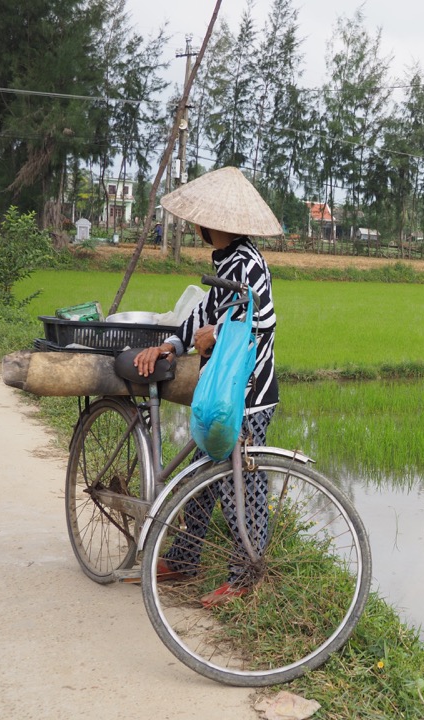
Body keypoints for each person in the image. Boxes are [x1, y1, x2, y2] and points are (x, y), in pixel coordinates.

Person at [133, 167, 281, 607]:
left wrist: (215, 335)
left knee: (243, 485)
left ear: (206, 224)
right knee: (205, 475)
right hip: (222, 394)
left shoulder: (248, 264)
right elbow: (202, 316)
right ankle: (183, 560)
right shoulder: (227, 262)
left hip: (248, 395)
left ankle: (244, 580)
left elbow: (262, 320)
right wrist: (170, 344)